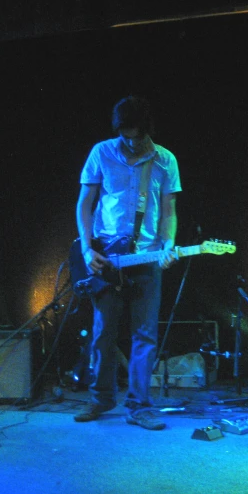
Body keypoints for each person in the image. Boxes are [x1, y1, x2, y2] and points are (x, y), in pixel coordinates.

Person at [73, 95, 181, 430]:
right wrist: (88, 250)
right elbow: (84, 206)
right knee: (104, 332)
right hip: (107, 254)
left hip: (146, 257)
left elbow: (168, 212)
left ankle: (140, 406)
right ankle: (101, 398)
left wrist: (168, 246)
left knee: (145, 335)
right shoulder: (101, 152)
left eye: (136, 135)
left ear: (147, 129)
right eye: (125, 135)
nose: (130, 141)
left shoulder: (165, 161)